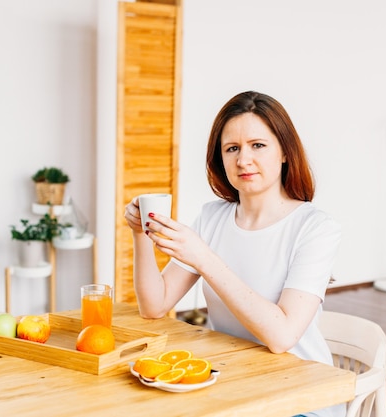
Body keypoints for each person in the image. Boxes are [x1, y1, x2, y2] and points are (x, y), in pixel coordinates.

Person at [124, 91, 344, 417]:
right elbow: (154, 306)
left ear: (285, 152)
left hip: (300, 400)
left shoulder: (315, 228)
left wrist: (204, 258)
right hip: (232, 388)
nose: (243, 160)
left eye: (258, 145)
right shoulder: (213, 218)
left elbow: (281, 337)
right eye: (232, 148)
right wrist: (140, 232)